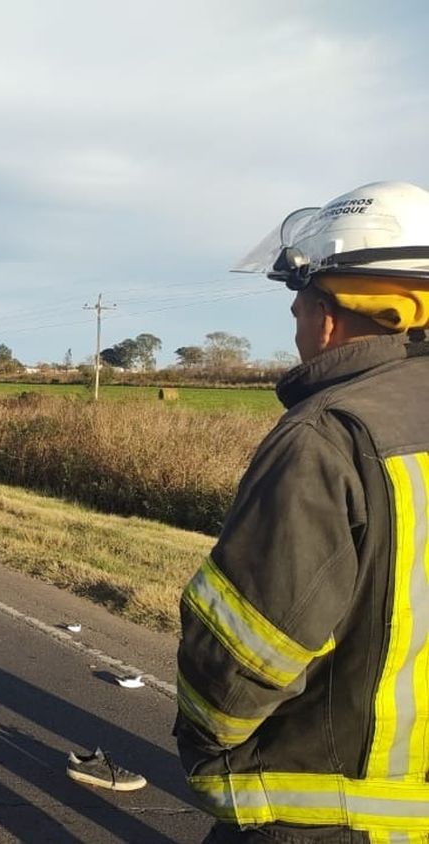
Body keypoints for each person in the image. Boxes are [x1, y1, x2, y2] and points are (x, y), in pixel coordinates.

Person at [176, 181, 429, 842]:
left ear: (327, 315)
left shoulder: (329, 433)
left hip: (325, 810)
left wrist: (210, 745)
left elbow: (245, 645)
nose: (295, 327)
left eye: (297, 307)